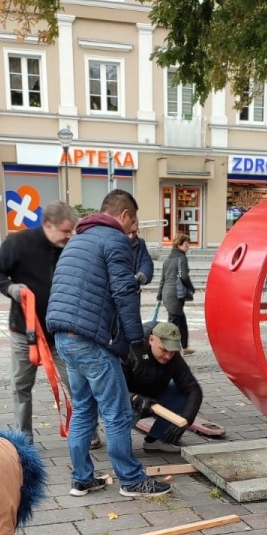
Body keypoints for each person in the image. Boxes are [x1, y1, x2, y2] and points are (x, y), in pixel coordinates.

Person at [46, 189, 172, 499]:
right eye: (134, 222)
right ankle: (131, 480)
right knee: (117, 412)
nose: (134, 230)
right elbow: (124, 294)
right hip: (88, 340)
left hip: (63, 337)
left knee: (84, 409)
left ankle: (82, 479)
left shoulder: (77, 240)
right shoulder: (114, 239)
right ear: (126, 215)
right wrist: (135, 342)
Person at [0, 201, 77, 443]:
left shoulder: (69, 248)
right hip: (24, 330)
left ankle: (85, 431)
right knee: (21, 386)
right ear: (49, 225)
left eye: (72, 231)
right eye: (66, 231)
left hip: (60, 332)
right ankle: (24, 437)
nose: (70, 236)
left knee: (75, 383)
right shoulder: (19, 243)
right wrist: (10, 288)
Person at [124, 320, 203, 453]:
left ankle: (156, 440)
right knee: (125, 411)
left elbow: (193, 389)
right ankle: (120, 451)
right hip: (124, 400)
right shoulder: (130, 348)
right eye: (164, 350)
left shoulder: (173, 357)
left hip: (152, 396)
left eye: (172, 352)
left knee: (181, 392)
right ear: (151, 339)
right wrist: (136, 399)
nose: (168, 356)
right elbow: (112, 388)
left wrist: (186, 420)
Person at [159, 233, 194, 353]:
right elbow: (184, 276)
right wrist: (191, 288)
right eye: (186, 244)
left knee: (181, 321)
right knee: (172, 323)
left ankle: (185, 347)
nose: (188, 246)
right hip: (175, 294)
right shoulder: (182, 258)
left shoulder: (168, 260)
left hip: (167, 293)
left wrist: (159, 296)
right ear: (179, 245)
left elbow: (162, 280)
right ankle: (165, 348)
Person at [129, 218, 154, 287]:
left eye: (134, 232)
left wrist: (144, 273)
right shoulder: (114, 243)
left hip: (133, 290)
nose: (131, 236)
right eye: (128, 232)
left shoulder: (140, 243)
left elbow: (146, 262)